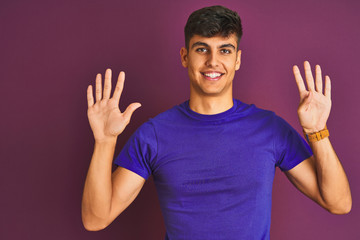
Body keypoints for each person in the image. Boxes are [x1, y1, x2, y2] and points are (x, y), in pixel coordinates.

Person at [81, 5, 352, 239]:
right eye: (202, 49)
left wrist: (318, 132)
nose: (213, 62)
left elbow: (338, 203)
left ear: (237, 59)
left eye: (225, 50)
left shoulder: (269, 128)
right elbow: (96, 219)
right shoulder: (154, 134)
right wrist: (105, 142)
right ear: (185, 57)